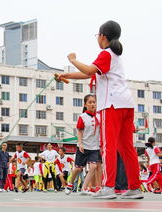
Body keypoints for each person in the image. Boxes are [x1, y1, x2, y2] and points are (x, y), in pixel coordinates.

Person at [55, 20, 143, 199]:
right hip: (126, 105)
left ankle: (108, 187)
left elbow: (88, 71)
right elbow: (90, 73)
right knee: (126, 147)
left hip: (111, 106)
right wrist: (67, 75)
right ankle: (134, 187)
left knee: (108, 147)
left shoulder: (106, 54)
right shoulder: (114, 56)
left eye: (97, 36)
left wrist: (72, 60)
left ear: (102, 36)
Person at [65, 95, 101, 196]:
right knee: (78, 168)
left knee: (93, 166)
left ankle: (84, 188)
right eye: (90, 102)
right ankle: (70, 184)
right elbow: (80, 131)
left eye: (94, 102)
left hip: (94, 147)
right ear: (85, 105)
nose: (93, 104)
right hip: (83, 146)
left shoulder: (99, 116)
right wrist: (80, 143)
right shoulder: (82, 117)